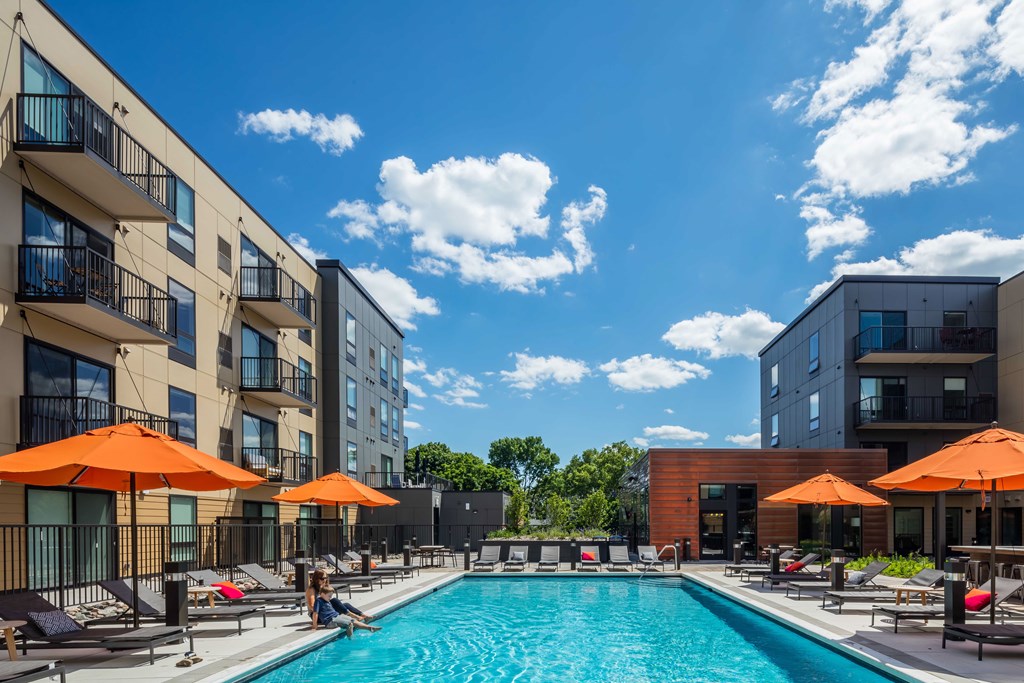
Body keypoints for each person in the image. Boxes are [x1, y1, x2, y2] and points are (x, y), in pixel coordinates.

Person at [306, 568, 376, 622]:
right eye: (322, 578)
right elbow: (312, 606)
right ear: (316, 579)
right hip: (318, 616)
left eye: (326, 578)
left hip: (327, 611)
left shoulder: (323, 587)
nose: (325, 580)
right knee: (334, 600)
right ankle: (355, 616)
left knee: (346, 605)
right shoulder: (311, 589)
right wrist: (327, 610)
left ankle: (363, 615)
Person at [311, 586, 380, 635]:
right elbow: (315, 613)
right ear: (322, 594)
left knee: (353, 620)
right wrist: (315, 626)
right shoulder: (318, 601)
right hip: (330, 621)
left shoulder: (327, 600)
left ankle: (369, 628)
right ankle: (351, 639)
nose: (330, 598)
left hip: (337, 616)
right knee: (349, 624)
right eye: (329, 596)